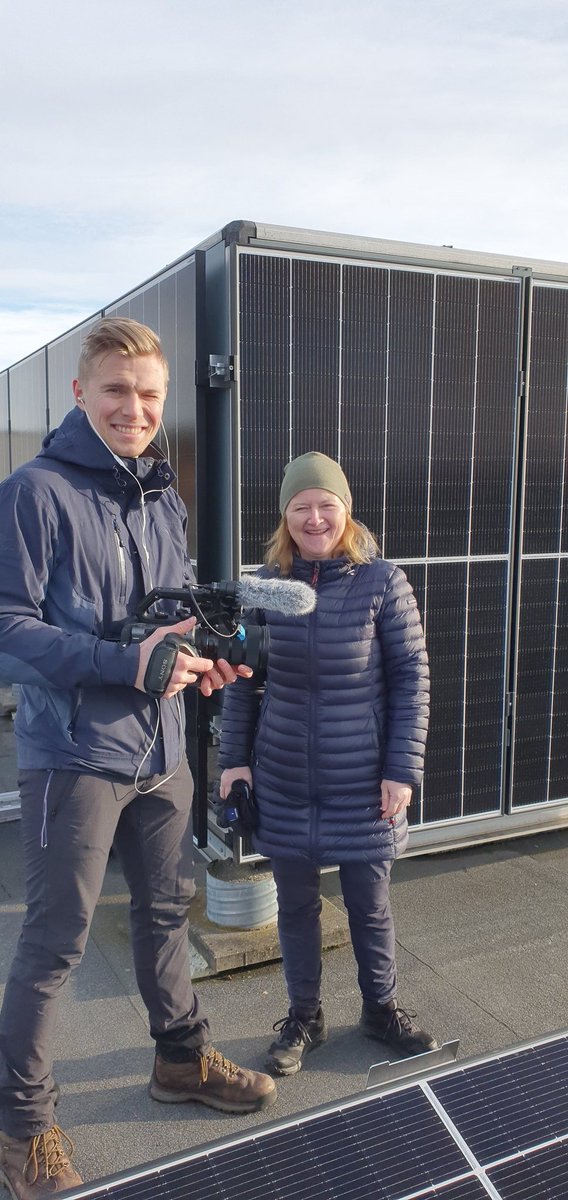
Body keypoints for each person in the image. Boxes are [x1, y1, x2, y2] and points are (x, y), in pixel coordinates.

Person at [0, 318, 276, 1199]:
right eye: (117, 390)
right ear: (80, 392)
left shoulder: (163, 496)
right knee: (56, 942)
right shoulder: (34, 492)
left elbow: (165, 615)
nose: (135, 409)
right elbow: (7, 631)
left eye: (149, 394)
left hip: (163, 750)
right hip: (74, 757)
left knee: (165, 912)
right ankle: (21, 1129)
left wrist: (200, 657)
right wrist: (127, 661)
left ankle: (180, 1061)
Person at [219, 451, 436, 1076]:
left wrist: (402, 769)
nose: (314, 519)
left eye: (325, 505)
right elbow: (241, 682)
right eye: (300, 507)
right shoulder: (264, 585)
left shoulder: (382, 582)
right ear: (284, 517)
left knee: (370, 907)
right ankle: (304, 1018)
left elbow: (412, 679)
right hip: (284, 778)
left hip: (363, 781)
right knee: (295, 909)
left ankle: (381, 1010)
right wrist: (234, 761)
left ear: (346, 511)